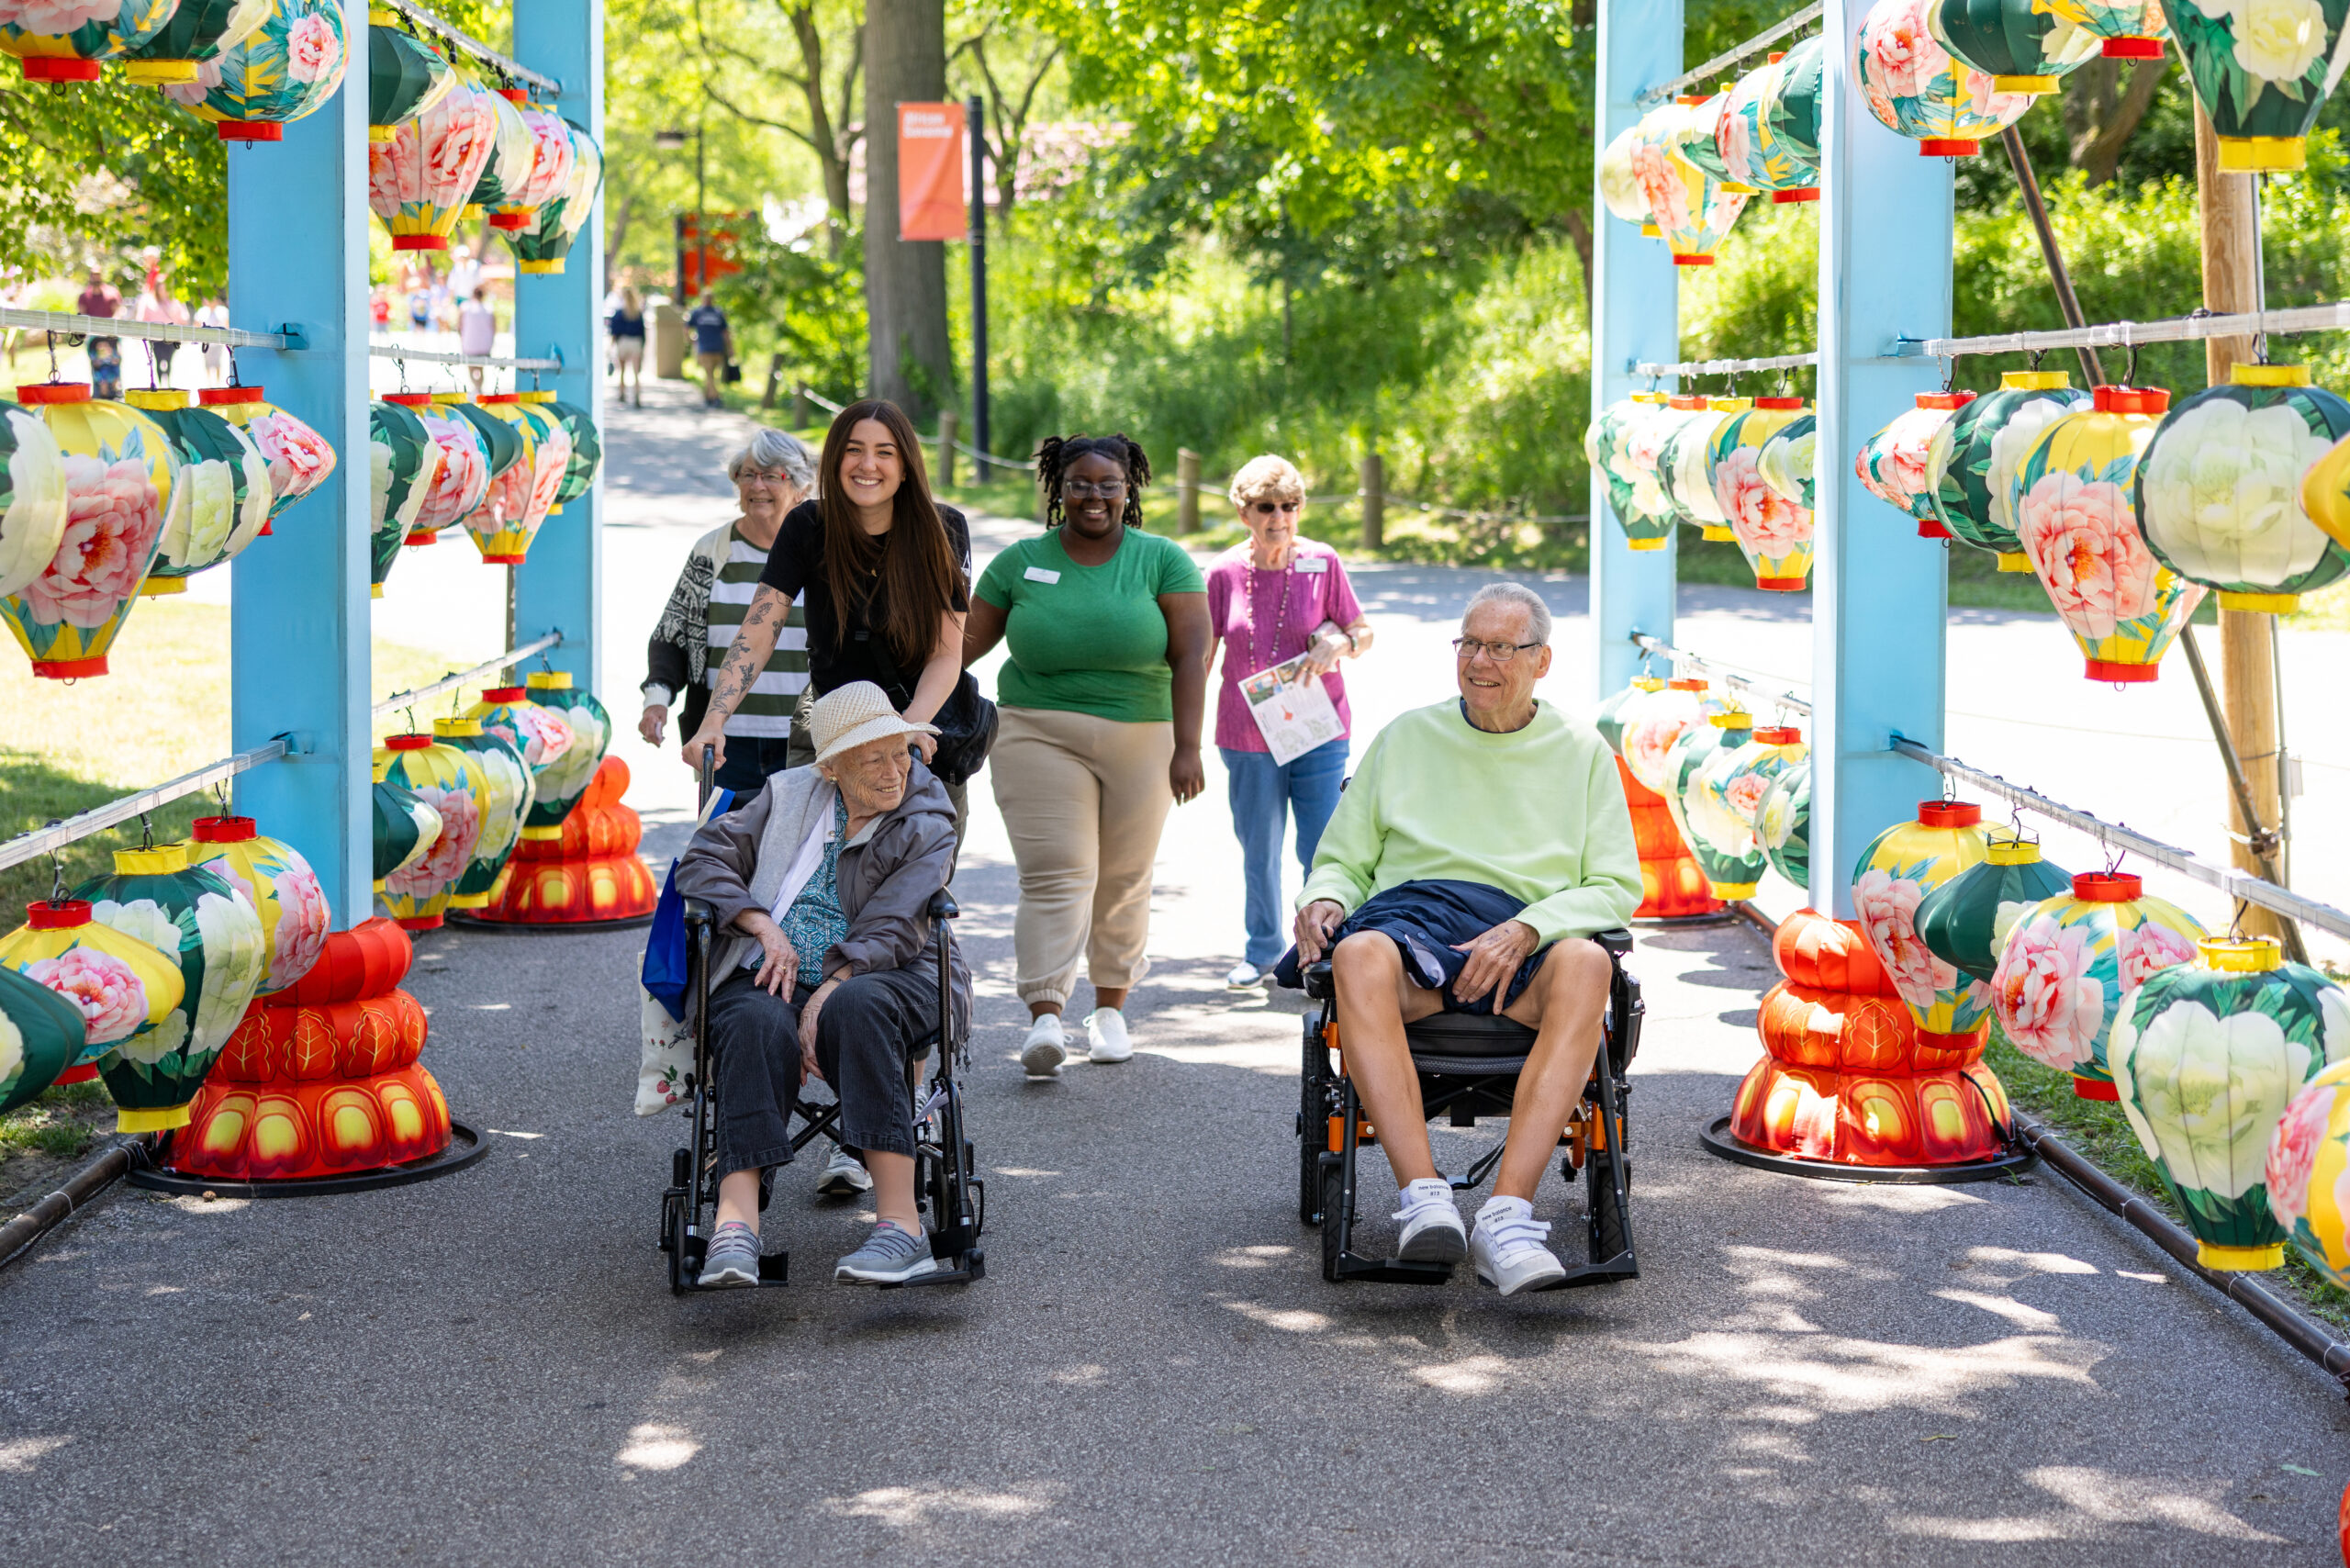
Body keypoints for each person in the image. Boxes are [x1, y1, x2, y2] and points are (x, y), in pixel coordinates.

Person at [1289, 582, 1639, 1295]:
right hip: (1416, 943)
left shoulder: (1582, 752)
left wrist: (1528, 927)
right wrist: (1322, 898)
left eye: (1500, 648)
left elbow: (1614, 886)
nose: (1480, 661)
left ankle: (1506, 1219)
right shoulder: (1406, 738)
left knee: (1585, 962)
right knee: (1356, 952)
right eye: (1469, 644)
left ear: (1541, 661)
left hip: (1525, 956)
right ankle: (1425, 1200)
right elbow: (1343, 859)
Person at [674, 682, 972, 1287]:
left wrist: (833, 987)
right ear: (831, 768)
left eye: (901, 752)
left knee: (857, 1007)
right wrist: (759, 924)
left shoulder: (927, 812)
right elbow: (702, 859)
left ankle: (901, 1227)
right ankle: (735, 1229)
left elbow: (895, 922)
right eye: (873, 759)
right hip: (775, 970)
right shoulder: (788, 797)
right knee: (754, 1020)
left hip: (894, 970)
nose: (895, 772)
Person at [962, 434, 1210, 1078]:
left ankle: (1109, 1012)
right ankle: (1046, 1014)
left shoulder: (1163, 560)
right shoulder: (1019, 563)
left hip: (1143, 734)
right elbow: (958, 647)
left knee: (1125, 876)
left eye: (1109, 484)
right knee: (1058, 870)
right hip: (1037, 731)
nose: (1094, 496)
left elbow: (1190, 654)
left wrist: (1189, 746)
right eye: (1080, 483)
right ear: (1058, 489)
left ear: (1129, 491)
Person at [683, 400, 973, 824]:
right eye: (853, 450)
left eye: (885, 452)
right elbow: (758, 631)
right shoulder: (807, 525)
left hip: (920, 723)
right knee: (810, 877)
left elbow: (946, 654)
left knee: (918, 877)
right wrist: (713, 720)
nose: (867, 464)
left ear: (907, 466)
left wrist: (905, 731)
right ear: (834, 459)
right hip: (830, 724)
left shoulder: (944, 530)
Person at [1207, 454, 1375, 990]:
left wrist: (1340, 641)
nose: (1278, 516)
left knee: (1322, 848)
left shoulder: (1323, 561)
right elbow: (1200, 654)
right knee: (1258, 845)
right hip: (1245, 731)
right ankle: (1260, 952)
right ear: (1243, 511)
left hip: (1317, 729)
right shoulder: (1222, 572)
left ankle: (1319, 956)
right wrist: (1177, 729)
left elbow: (1363, 632)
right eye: (1265, 506)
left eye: (1289, 505)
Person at [642, 428, 820, 793]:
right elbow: (673, 633)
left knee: (801, 849)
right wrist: (656, 701)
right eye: (748, 475)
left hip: (808, 744)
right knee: (724, 848)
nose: (757, 486)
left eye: (772, 476)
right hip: (725, 745)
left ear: (801, 488)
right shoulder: (712, 552)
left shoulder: (823, 553)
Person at [132, 257, 188, 387]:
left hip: (171, 338)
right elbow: (142, 319)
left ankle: (167, 384)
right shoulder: (148, 301)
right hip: (156, 338)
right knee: (158, 360)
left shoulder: (175, 302)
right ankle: (160, 384)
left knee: (168, 360)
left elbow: (183, 318)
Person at [76, 265, 122, 398]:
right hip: (93, 338)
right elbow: (82, 313)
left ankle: (115, 389)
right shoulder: (84, 296)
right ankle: (99, 391)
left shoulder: (112, 293)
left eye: (98, 274)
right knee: (97, 365)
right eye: (93, 274)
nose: (96, 277)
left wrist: (111, 326)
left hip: (110, 336)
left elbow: (118, 312)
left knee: (114, 362)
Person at [686, 291, 731, 409]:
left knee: (710, 374)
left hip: (709, 348)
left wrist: (690, 340)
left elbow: (686, 327)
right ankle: (711, 398)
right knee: (710, 374)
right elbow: (726, 333)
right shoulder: (717, 313)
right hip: (712, 348)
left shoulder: (698, 312)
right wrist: (730, 348)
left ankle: (713, 398)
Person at [607, 286, 646, 408]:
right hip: (635, 342)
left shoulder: (619, 313)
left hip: (623, 342)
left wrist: (611, 346)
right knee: (636, 373)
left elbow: (614, 332)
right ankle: (637, 395)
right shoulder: (637, 313)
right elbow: (642, 332)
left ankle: (622, 394)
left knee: (622, 371)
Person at [457, 286, 496, 395]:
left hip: (470, 343)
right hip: (484, 344)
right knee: (481, 368)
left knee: (471, 367)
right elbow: (494, 327)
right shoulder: (489, 308)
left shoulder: (465, 307)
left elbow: (459, 325)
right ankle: (479, 388)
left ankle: (477, 387)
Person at [195, 297, 231, 385]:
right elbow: (196, 323)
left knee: (217, 362)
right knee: (208, 363)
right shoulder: (202, 311)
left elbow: (227, 323)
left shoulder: (222, 311)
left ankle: (217, 382)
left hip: (218, 341)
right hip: (207, 341)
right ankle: (209, 381)